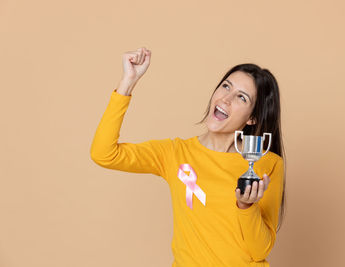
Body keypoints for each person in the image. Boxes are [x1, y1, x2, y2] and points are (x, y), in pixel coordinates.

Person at [90, 47, 286, 267]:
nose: (226, 99)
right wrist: (128, 82)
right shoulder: (175, 153)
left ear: (253, 118)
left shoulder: (267, 164)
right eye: (225, 86)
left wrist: (246, 207)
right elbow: (103, 154)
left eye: (241, 97)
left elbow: (260, 249)